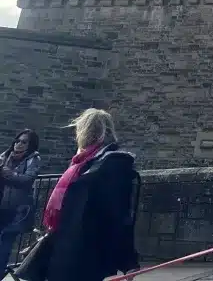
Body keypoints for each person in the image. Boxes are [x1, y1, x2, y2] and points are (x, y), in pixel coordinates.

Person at [16, 109, 139, 281]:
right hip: (66, 249)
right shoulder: (83, 164)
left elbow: (118, 214)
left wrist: (129, 261)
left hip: (85, 253)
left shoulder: (111, 164)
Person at [0, 129, 41, 269]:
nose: (18, 144)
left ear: (31, 145)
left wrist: (7, 173)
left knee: (5, 242)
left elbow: (27, 180)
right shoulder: (5, 156)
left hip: (18, 211)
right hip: (2, 206)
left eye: (24, 142)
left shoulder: (33, 159)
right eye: (17, 141)